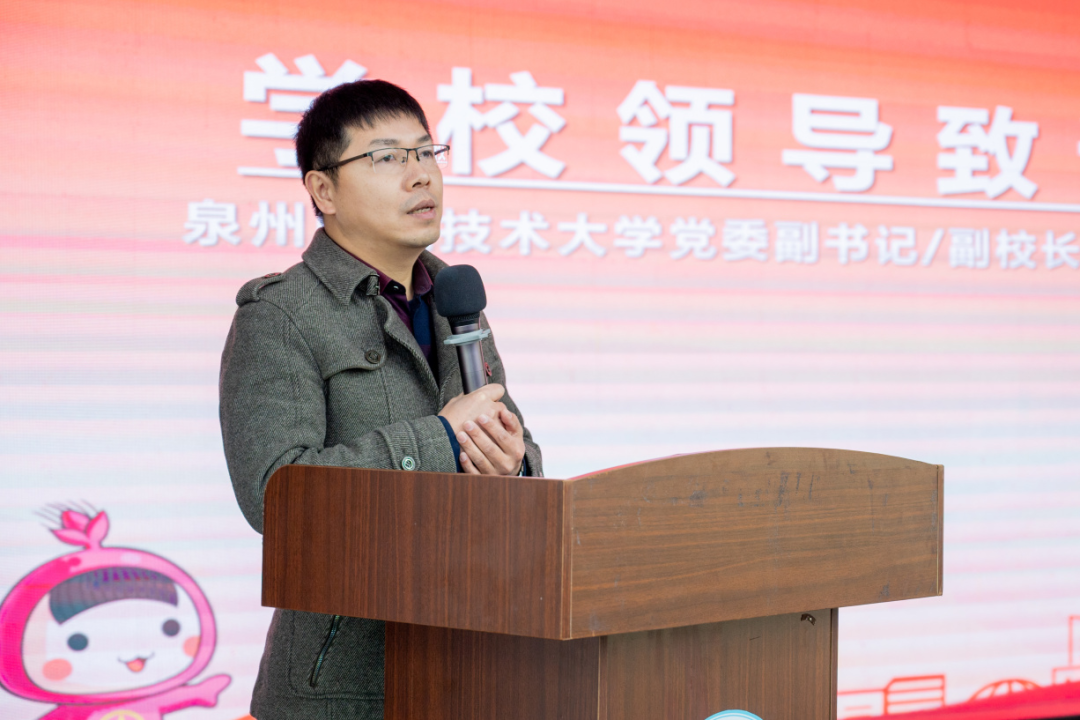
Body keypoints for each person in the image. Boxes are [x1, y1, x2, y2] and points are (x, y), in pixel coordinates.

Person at [218, 79, 543, 720]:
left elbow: (513, 440)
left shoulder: (457, 300)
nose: (421, 175)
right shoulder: (281, 314)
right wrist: (439, 439)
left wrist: (514, 465)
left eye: (426, 152)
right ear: (324, 191)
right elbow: (275, 496)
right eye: (388, 157)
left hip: (472, 663)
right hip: (345, 684)